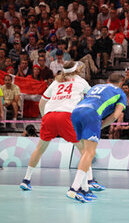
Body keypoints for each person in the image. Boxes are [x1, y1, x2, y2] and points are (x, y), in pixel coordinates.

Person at [19, 62, 103, 193]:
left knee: (39, 149)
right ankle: (89, 181)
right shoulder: (81, 82)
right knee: (84, 150)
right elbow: (94, 97)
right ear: (76, 71)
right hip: (66, 115)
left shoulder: (56, 82)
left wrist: (45, 116)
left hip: (49, 116)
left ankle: (26, 179)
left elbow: (42, 102)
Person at [67, 73, 127, 202]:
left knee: (84, 152)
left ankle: (84, 188)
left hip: (76, 112)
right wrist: (101, 125)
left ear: (108, 80)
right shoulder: (121, 93)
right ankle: (74, 189)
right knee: (90, 153)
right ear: (122, 82)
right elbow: (116, 115)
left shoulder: (96, 86)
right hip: (92, 114)